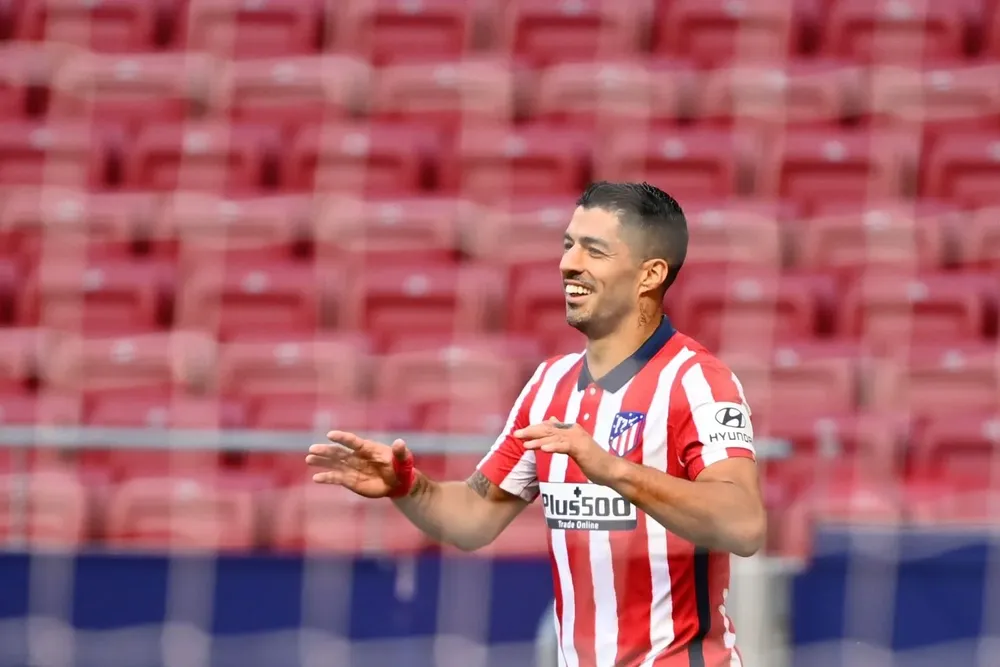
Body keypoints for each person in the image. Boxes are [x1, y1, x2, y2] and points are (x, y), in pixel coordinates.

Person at [306, 181, 766, 667]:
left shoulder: (699, 382)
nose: (569, 264)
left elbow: (744, 524)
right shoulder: (549, 384)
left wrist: (613, 470)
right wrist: (409, 488)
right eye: (569, 245)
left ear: (649, 274)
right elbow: (473, 519)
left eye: (595, 250)